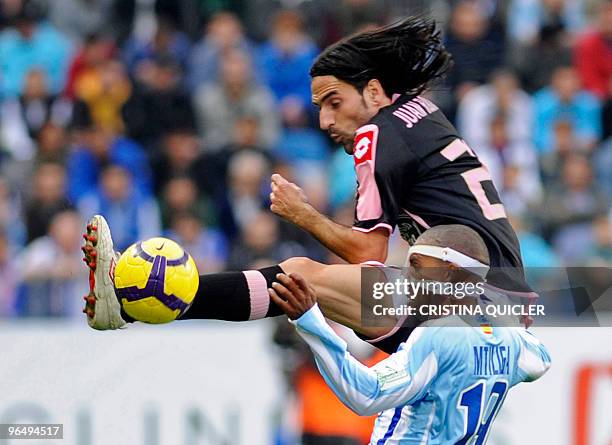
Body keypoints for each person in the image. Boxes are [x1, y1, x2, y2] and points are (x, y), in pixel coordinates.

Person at [82, 17, 534, 353]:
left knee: (300, 277)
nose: (325, 121)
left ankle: (129, 303)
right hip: (502, 303)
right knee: (300, 279)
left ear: (374, 92)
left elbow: (368, 254)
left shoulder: (378, 135)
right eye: (319, 107)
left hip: (472, 304)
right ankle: (127, 304)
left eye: (334, 102)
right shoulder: (419, 114)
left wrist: (302, 213)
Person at [268, 226, 551, 444]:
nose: (405, 278)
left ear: (450, 273)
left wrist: (310, 321)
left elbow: (366, 394)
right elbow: (541, 359)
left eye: (416, 266)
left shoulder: (439, 334)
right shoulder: (510, 340)